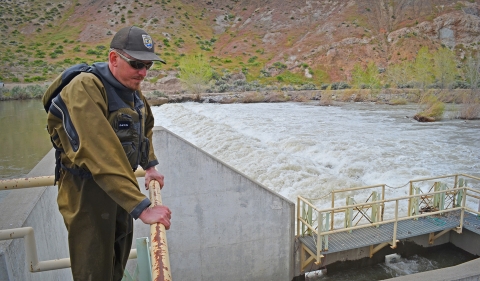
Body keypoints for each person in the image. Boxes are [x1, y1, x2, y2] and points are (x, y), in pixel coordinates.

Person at [44, 26, 171, 280]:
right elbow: (98, 149)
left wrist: (150, 166)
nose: (143, 73)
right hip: (87, 194)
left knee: (116, 261)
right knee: (94, 269)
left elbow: (143, 124)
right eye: (136, 64)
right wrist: (141, 206)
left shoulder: (130, 88)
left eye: (148, 66)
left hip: (119, 187)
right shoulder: (85, 87)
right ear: (114, 59)